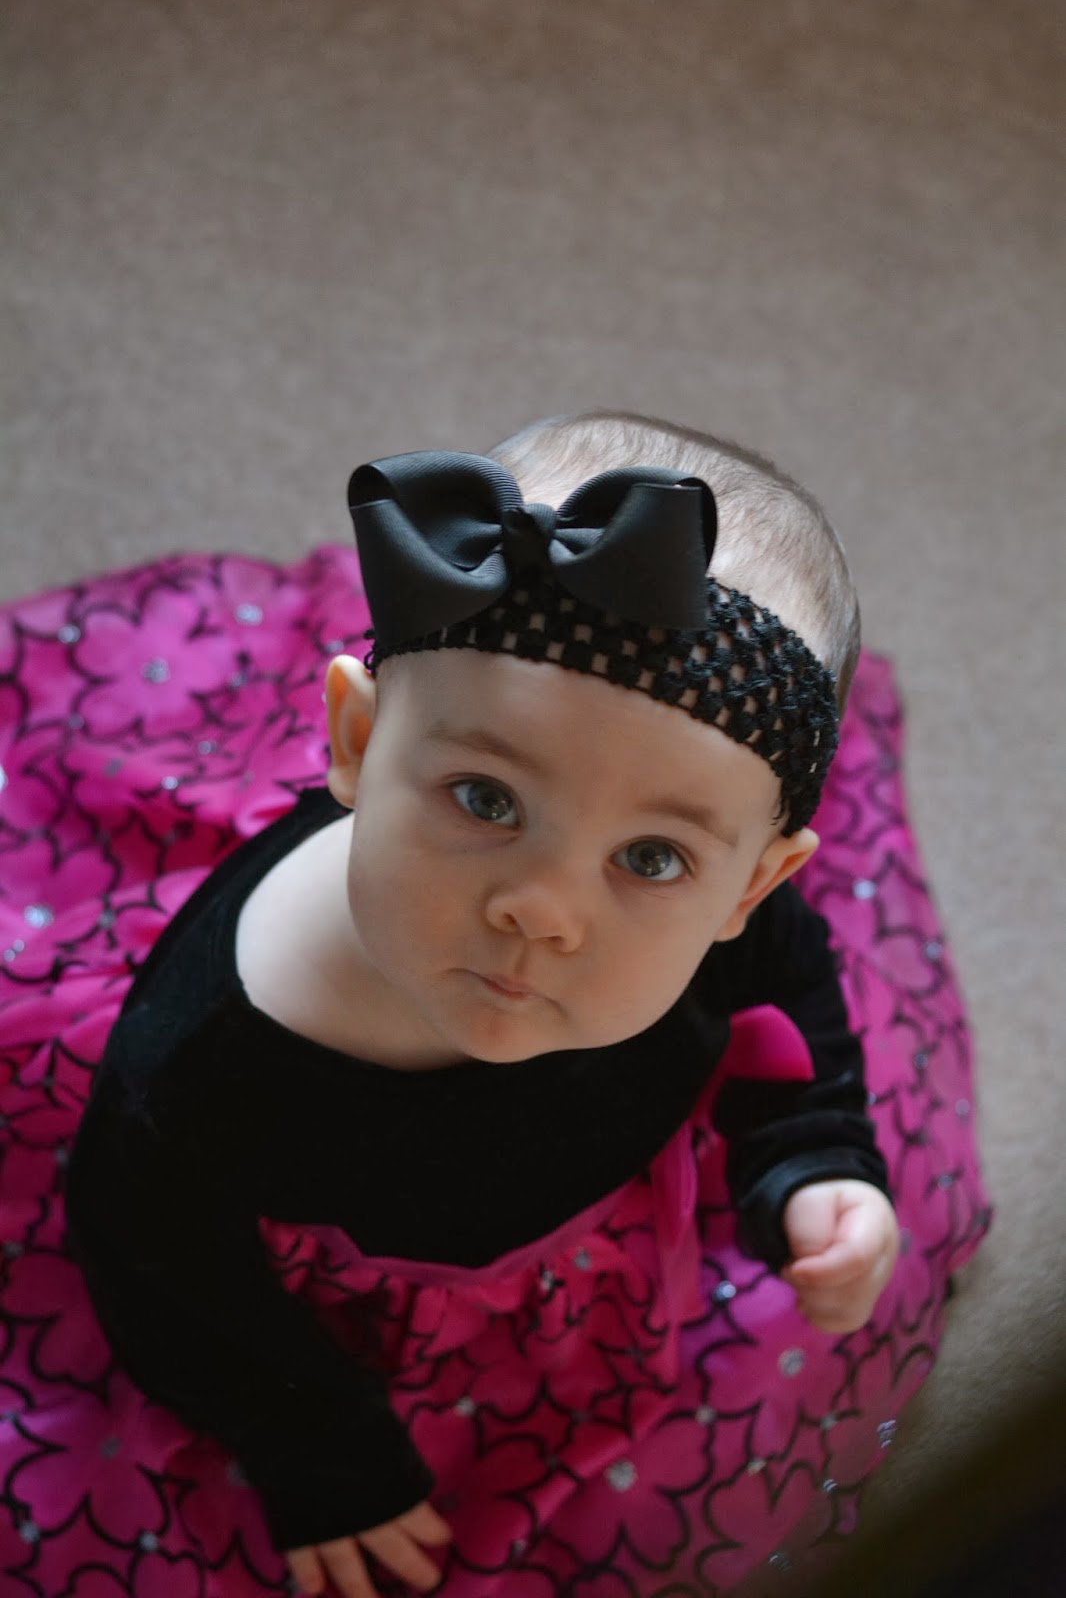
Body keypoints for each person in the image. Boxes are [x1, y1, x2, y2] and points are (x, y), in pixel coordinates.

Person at [0, 411, 990, 1598]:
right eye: (485, 796)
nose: (543, 909)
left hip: (599, 1235)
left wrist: (809, 1143)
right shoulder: (200, 1060)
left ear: (748, 887)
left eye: (652, 857)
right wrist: (317, 1443)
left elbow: (789, 975)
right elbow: (161, 1265)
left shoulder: (733, 930)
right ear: (360, 740)